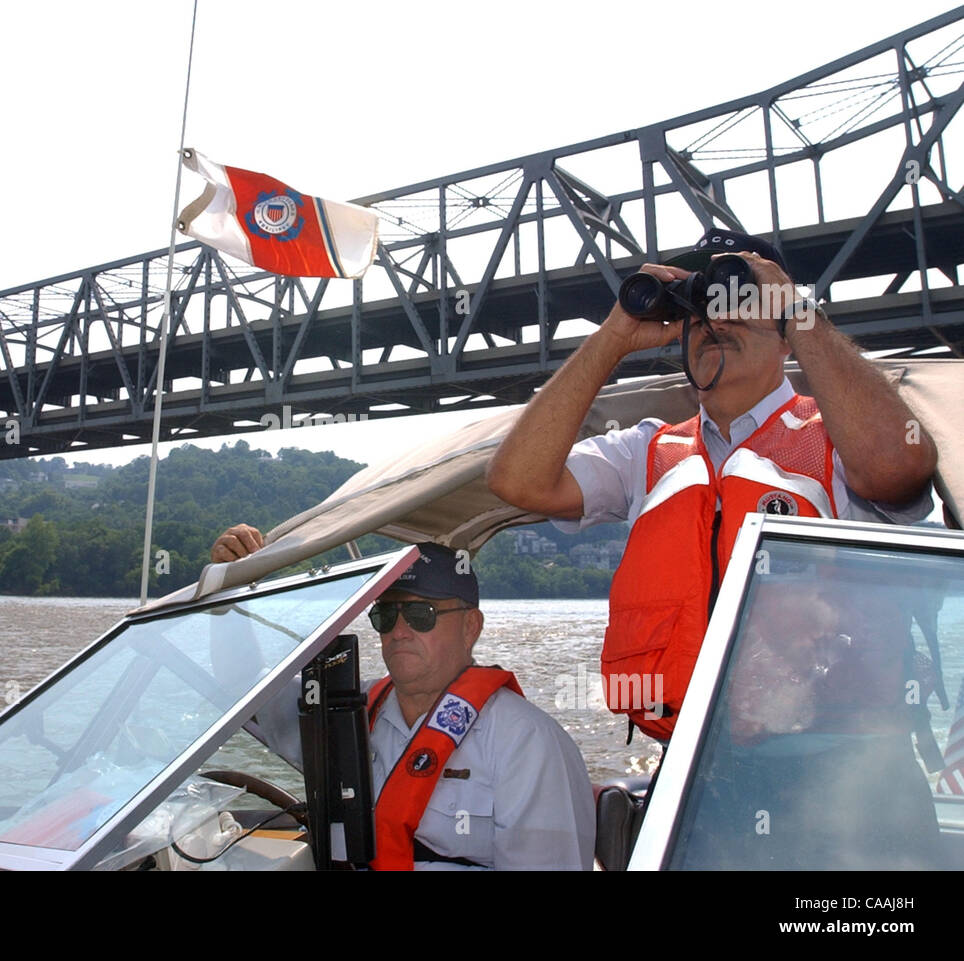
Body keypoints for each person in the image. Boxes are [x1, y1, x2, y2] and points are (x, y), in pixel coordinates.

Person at [486, 228, 938, 741]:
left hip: (840, 763)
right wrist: (613, 338)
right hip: (692, 762)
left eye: (741, 297)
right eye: (697, 307)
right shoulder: (648, 452)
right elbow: (516, 481)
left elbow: (897, 468)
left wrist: (798, 312)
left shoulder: (836, 440)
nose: (714, 318)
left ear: (785, 323)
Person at [211, 525, 596, 870]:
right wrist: (230, 591)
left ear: (470, 627)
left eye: (421, 614)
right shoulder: (350, 712)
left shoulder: (528, 742)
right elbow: (244, 687)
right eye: (386, 615)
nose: (399, 630)